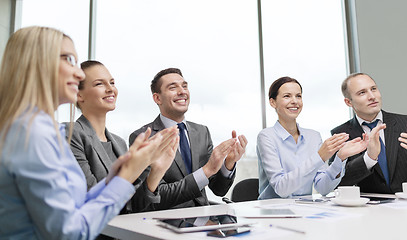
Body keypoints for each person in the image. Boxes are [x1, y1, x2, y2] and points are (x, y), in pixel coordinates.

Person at [0, 26, 178, 239]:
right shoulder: (32, 134)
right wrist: (128, 174)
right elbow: (70, 232)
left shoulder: (43, 129)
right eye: (68, 59)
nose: (79, 73)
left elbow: (75, 205)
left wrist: (119, 175)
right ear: (36, 63)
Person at [128, 67, 248, 210]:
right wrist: (206, 170)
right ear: (157, 98)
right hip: (167, 221)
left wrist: (228, 164)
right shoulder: (143, 137)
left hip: (203, 219)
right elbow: (155, 197)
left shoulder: (202, 132)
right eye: (173, 87)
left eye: (184, 86)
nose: (182, 91)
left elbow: (218, 190)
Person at [70, 60, 174, 213]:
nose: (110, 89)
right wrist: (135, 166)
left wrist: (156, 171)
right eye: (100, 84)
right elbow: (90, 198)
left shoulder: (119, 143)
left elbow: (133, 205)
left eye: (112, 83)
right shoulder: (72, 133)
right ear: (79, 95)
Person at [257, 77, 367, 199]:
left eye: (298, 96)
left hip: (304, 210)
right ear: (273, 102)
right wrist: (319, 156)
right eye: (287, 96)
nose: (295, 101)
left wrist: (340, 158)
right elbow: (281, 188)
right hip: (273, 213)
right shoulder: (266, 136)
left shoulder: (313, 137)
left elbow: (323, 188)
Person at [331, 73, 407, 193]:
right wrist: (369, 158)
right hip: (368, 209)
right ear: (348, 102)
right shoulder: (340, 134)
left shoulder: (405, 123)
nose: (372, 96)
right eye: (362, 92)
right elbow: (336, 182)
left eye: (373, 89)